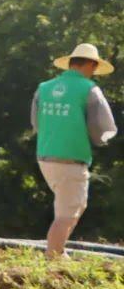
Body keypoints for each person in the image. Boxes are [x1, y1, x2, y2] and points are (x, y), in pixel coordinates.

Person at [31, 43, 117, 259]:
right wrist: (101, 141)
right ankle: (52, 258)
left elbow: (36, 122)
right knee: (68, 214)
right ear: (90, 64)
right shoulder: (89, 89)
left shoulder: (44, 87)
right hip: (71, 158)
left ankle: (60, 252)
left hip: (45, 156)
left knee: (69, 205)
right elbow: (104, 128)